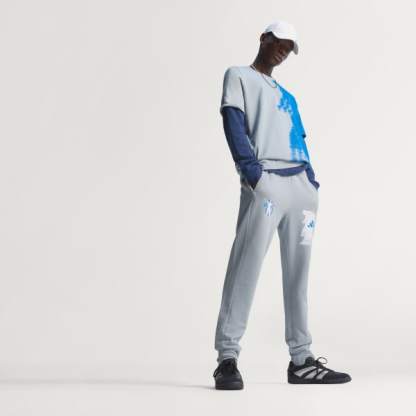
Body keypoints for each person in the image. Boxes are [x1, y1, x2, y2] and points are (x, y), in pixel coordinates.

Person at [213, 20, 351, 390]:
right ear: (264, 38)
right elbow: (233, 122)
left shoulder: (288, 95)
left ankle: (302, 360)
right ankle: (227, 358)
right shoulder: (239, 76)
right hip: (268, 185)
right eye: (279, 43)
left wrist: (311, 181)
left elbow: (298, 138)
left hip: (302, 191)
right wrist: (252, 173)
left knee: (298, 273)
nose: (283, 51)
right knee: (246, 265)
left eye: (289, 48)